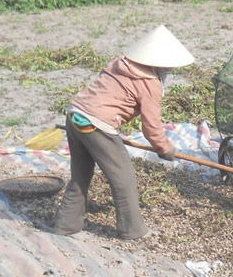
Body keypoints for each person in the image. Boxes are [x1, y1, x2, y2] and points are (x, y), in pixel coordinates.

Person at [51, 25, 195, 240]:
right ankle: (133, 230)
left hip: (75, 115)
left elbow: (109, 96)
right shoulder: (150, 82)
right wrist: (165, 148)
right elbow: (151, 126)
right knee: (124, 178)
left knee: (81, 174)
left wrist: (113, 132)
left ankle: (66, 224)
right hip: (95, 125)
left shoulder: (120, 64)